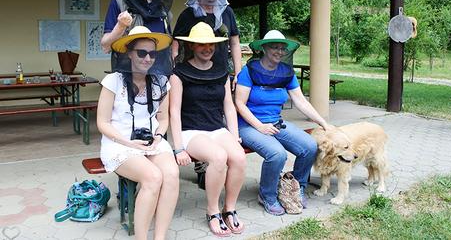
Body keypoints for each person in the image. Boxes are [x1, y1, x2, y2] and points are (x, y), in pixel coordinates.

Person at [234, 30, 330, 216]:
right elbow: (239, 103)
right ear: (264, 48)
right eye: (274, 47)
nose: (279, 51)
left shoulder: (286, 73)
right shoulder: (249, 71)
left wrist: (322, 122)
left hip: (276, 123)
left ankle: (296, 187)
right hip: (249, 125)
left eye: (281, 48)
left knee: (309, 146)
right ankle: (267, 195)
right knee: (277, 154)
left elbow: (301, 101)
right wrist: (260, 126)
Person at [97, 26, 178, 239]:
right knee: (153, 177)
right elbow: (102, 123)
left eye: (152, 53)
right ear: (130, 53)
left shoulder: (161, 82)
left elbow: (163, 119)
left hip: (151, 140)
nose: (148, 58)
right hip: (119, 142)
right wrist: (129, 143)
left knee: (171, 175)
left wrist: (159, 136)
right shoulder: (113, 81)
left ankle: (160, 237)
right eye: (142, 53)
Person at [169, 22, 246, 236]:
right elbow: (173, 112)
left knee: (239, 157)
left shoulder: (221, 71)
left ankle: (229, 208)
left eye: (210, 44)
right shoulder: (179, 73)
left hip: (216, 129)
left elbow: (229, 107)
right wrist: (178, 148)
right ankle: (212, 211)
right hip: (191, 131)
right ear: (192, 46)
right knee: (219, 157)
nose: (207, 48)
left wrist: (235, 135)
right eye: (201, 44)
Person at [101, 0, 175, 75]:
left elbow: (167, 48)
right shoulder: (119, 3)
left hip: (159, 79)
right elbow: (105, 46)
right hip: (128, 78)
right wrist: (120, 26)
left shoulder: (164, 11)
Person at [171, 0, 242, 90]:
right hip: (193, 75)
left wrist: (238, 74)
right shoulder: (188, 14)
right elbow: (175, 45)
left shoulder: (227, 12)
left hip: (221, 73)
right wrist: (174, 72)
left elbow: (235, 43)